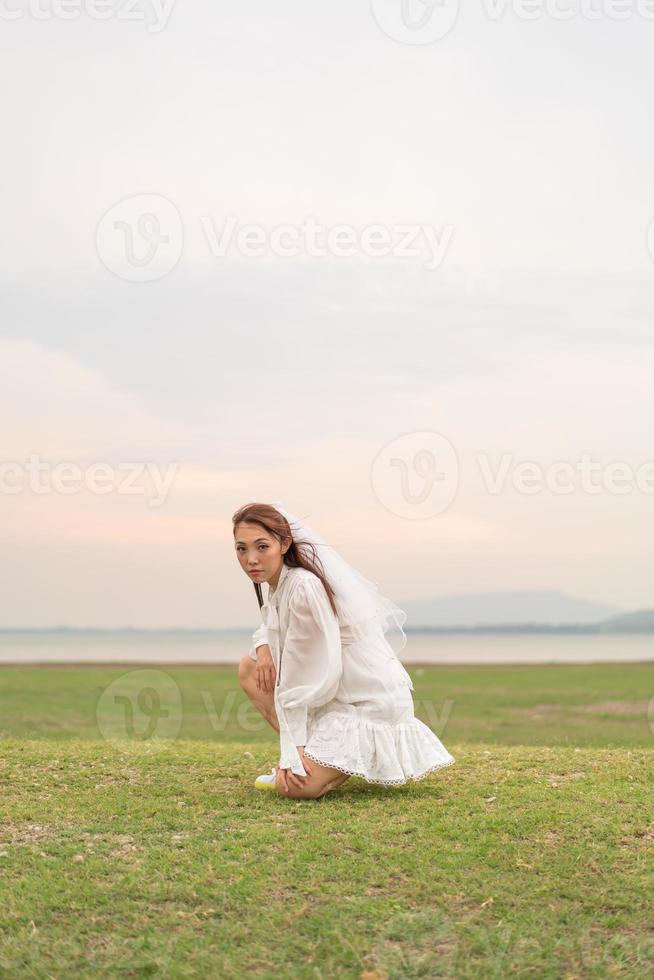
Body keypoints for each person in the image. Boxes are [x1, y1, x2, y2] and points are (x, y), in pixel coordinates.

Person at [234, 501, 455, 800]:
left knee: (298, 789)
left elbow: (301, 676)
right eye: (241, 549)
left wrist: (293, 749)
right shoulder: (279, 585)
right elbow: (270, 626)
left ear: (284, 543)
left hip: (366, 704)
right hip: (336, 698)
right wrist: (263, 650)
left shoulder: (303, 586)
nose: (251, 559)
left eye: (262, 547)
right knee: (249, 668)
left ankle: (313, 761)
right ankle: (314, 757)